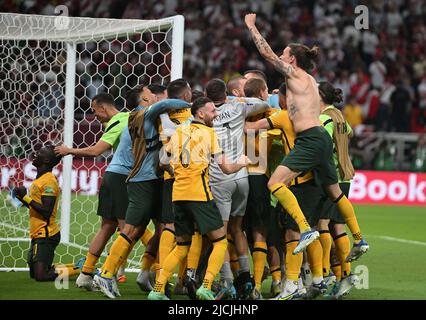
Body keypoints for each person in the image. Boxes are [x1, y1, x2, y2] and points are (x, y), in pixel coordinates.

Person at [245, 13, 368, 261]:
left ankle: (304, 229)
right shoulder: (309, 80)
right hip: (321, 138)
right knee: (334, 192)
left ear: (292, 59)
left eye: (284, 53)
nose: (280, 56)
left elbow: (267, 54)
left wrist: (252, 26)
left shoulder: (295, 74)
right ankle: (359, 239)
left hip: (310, 138)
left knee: (275, 183)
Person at [93, 80, 191, 299]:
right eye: (149, 93)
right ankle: (106, 273)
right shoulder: (145, 113)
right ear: (144, 99)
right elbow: (171, 103)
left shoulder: (140, 116)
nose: (153, 95)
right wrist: (193, 106)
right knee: (131, 228)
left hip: (152, 179)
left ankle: (152, 276)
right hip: (142, 180)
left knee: (161, 227)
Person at [148, 97, 251, 300]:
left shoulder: (178, 132)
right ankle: (206, 285)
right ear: (201, 114)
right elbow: (227, 168)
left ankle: (157, 289)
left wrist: (175, 171)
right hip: (200, 195)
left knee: (181, 247)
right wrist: (242, 162)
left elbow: (161, 161)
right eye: (213, 111)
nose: (216, 114)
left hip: (178, 196)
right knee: (220, 242)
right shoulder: (209, 133)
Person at [55, 93, 133, 291]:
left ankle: (86, 274)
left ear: (103, 108)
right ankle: (109, 272)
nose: (94, 114)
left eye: (94, 110)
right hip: (120, 179)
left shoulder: (119, 121)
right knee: (129, 230)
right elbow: (98, 151)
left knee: (108, 228)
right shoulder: (123, 120)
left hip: (116, 178)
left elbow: (96, 151)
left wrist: (69, 150)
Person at [205, 78, 270, 299]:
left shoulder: (206, 115)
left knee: (219, 233)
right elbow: (265, 103)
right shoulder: (238, 106)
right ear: (226, 93)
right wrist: (236, 98)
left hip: (220, 176)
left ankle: (227, 281)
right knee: (238, 228)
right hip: (242, 176)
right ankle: (246, 277)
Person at [316, 81, 360, 299]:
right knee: (338, 227)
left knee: (321, 224)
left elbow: (323, 142)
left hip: (331, 176)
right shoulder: (340, 115)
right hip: (345, 175)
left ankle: (324, 275)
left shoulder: (324, 118)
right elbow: (349, 134)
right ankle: (346, 276)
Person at [13, 144, 79, 281]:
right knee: (35, 273)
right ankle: (71, 266)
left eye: (40, 152)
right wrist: (21, 198)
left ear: (47, 161)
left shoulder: (49, 181)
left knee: (41, 276)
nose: (36, 153)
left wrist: (26, 197)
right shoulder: (41, 179)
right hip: (38, 232)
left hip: (46, 233)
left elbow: (47, 211)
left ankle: (80, 268)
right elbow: (36, 206)